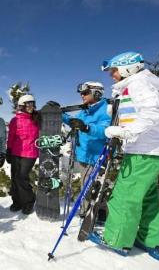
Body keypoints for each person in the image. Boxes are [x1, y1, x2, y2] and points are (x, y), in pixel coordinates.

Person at [90, 52, 159, 261]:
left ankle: (117, 239)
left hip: (144, 151)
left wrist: (125, 132)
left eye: (114, 70)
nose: (111, 75)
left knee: (124, 196)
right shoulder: (135, 86)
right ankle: (153, 240)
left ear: (127, 68)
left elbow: (153, 112)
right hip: (148, 151)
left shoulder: (139, 84)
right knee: (148, 198)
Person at [58, 81, 111, 217]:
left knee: (92, 188)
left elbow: (105, 130)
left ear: (96, 93)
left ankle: (94, 213)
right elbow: (75, 122)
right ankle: (86, 212)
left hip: (96, 156)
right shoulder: (85, 110)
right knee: (85, 186)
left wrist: (87, 128)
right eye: (81, 93)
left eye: (85, 92)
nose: (82, 95)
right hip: (83, 154)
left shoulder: (106, 109)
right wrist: (59, 113)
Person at [7, 94, 40, 215]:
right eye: (28, 104)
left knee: (22, 177)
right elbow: (11, 137)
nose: (31, 106)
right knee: (15, 178)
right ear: (22, 106)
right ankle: (17, 201)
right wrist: (8, 150)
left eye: (32, 104)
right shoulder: (15, 120)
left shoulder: (37, 118)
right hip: (16, 152)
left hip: (30, 153)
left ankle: (28, 202)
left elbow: (50, 121)